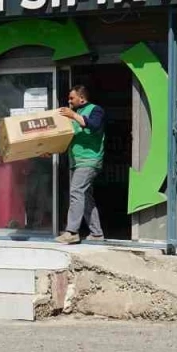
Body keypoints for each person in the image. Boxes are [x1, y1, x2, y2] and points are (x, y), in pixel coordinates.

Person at [56, 84, 105, 244]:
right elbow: (68, 138)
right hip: (78, 162)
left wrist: (72, 115)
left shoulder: (95, 110)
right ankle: (96, 234)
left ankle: (72, 232)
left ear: (82, 98)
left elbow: (94, 125)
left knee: (76, 192)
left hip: (89, 160)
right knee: (85, 197)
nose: (69, 101)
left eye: (72, 98)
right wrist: (51, 150)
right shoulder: (75, 115)